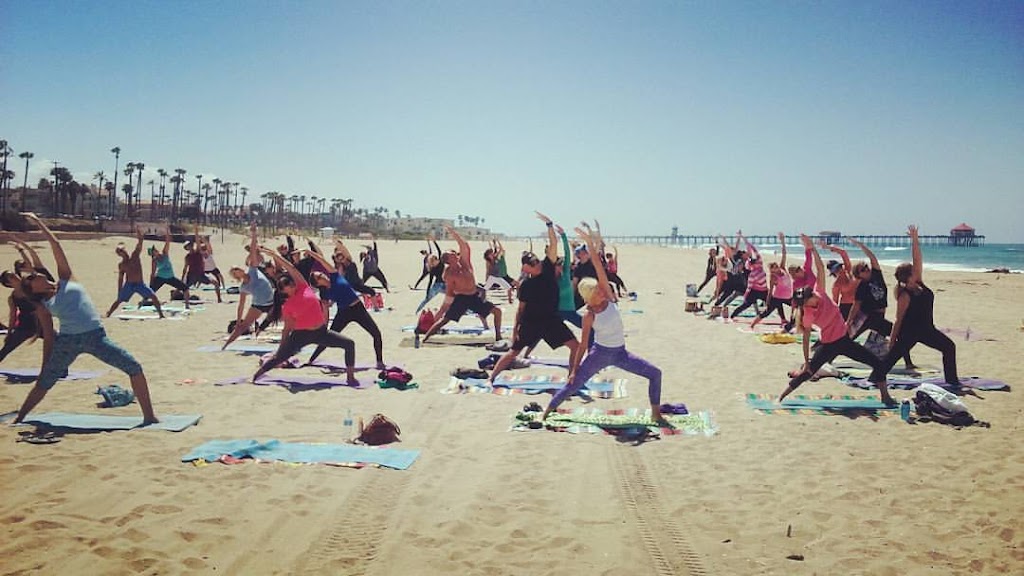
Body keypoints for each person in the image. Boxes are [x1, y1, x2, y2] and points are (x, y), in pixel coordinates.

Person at [13, 213, 157, 424]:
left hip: (96, 337)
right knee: (44, 382)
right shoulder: (43, 306)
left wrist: (38, 222)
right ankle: (19, 418)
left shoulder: (66, 278)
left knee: (134, 367)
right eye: (32, 278)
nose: (36, 274)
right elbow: (49, 336)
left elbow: (55, 245)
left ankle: (150, 417)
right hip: (68, 342)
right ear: (34, 289)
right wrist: (46, 364)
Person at [540, 225, 665, 424]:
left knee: (655, 374)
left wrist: (589, 242)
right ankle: (547, 411)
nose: (601, 291)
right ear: (589, 296)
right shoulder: (588, 315)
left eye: (600, 288)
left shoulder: (608, 297)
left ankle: (656, 413)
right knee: (573, 385)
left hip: (621, 353)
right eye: (596, 290)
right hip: (598, 355)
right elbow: (583, 345)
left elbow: (598, 266)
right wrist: (574, 370)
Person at [777, 234, 894, 405]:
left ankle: (885, 396)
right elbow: (806, 338)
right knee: (808, 372)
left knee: (877, 363)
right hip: (828, 345)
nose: (810, 300)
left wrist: (812, 248)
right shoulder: (808, 314)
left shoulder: (820, 292)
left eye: (809, 297)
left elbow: (819, 268)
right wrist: (806, 360)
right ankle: (781, 396)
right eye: (806, 301)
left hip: (844, 341)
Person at [488, 213, 579, 383]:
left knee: (575, 346)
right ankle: (491, 377)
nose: (537, 264)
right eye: (533, 263)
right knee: (513, 352)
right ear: (526, 268)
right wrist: (515, 331)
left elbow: (553, 244)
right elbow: (520, 310)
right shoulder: (525, 285)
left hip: (551, 320)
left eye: (537, 261)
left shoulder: (548, 269)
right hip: (531, 323)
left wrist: (549, 225)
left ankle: (571, 378)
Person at [867, 226, 959, 388]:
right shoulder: (904, 295)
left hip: (927, 330)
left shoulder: (919, 283)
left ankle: (952, 381)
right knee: (889, 360)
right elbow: (898, 319)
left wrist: (915, 239)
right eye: (913, 270)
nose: (917, 269)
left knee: (949, 347)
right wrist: (892, 340)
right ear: (909, 276)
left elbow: (917, 258)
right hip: (909, 333)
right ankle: (874, 378)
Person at [251, 247, 358, 385]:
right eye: (287, 285)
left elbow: (291, 268)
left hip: (321, 332)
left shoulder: (303, 286)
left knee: (349, 344)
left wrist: (274, 255)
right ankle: (256, 376)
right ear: (283, 291)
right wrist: (282, 348)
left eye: (290, 282)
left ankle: (350, 377)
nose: (291, 285)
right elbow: (287, 328)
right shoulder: (287, 306)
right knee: (279, 358)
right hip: (301, 335)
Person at [304, 248, 386, 369]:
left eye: (321, 274)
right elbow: (326, 311)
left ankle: (379, 362)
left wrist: (310, 252)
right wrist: (324, 327)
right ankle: (311, 359)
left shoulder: (334, 275)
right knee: (328, 337)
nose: (323, 275)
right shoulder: (324, 294)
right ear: (318, 283)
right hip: (343, 313)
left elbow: (322, 260)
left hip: (358, 309)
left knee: (376, 333)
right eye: (320, 277)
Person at [421, 225, 502, 343]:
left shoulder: (464, 263)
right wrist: (448, 303)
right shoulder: (449, 273)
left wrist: (453, 233)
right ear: (449, 260)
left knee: (497, 311)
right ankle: (425, 338)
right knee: (444, 320)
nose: (455, 253)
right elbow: (450, 290)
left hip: (474, 297)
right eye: (452, 254)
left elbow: (464, 245)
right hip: (461, 299)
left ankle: (498, 337)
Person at [846, 237, 915, 368]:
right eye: (863, 269)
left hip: (879, 317)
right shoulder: (861, 286)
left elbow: (872, 258)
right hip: (868, 317)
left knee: (900, 335)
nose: (867, 269)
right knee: (846, 339)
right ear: (859, 275)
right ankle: (827, 359)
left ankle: (908, 363)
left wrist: (861, 245)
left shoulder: (877, 275)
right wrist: (849, 321)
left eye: (866, 267)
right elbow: (856, 305)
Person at [223, 223, 277, 349]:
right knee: (242, 327)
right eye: (235, 271)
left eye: (237, 268)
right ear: (236, 276)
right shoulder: (243, 288)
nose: (238, 270)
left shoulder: (253, 269)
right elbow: (241, 305)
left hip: (272, 302)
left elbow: (253, 250)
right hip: (258, 306)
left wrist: (253, 233)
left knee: (289, 318)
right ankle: (225, 346)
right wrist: (238, 321)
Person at [105, 228, 165, 319]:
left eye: (123, 251)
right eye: (120, 252)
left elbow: (139, 245)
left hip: (140, 284)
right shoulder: (122, 265)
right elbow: (120, 278)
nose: (123, 253)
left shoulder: (134, 256)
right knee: (119, 300)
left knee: (153, 296)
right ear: (119, 255)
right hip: (129, 285)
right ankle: (109, 313)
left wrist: (140, 237)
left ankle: (161, 315)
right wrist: (119, 291)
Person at [750, 232, 792, 331]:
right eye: (773, 269)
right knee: (767, 312)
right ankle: (752, 324)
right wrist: (768, 302)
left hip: (788, 297)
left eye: (775, 267)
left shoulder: (782, 268)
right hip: (777, 297)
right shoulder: (773, 277)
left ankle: (790, 322)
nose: (775, 269)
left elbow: (784, 254)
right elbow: (770, 290)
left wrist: (782, 241)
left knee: (799, 306)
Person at [148, 229, 191, 307]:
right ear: (152, 254)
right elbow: (153, 273)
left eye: (155, 249)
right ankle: (142, 303)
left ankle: (187, 306)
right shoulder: (154, 261)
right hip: (160, 278)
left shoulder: (164, 254)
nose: (156, 250)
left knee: (185, 288)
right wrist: (151, 283)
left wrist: (167, 233)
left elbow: (167, 243)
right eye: (154, 250)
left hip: (171, 277)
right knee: (149, 292)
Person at [182, 223, 221, 303]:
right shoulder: (187, 257)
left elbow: (197, 241)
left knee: (216, 283)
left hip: (201, 274)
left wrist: (196, 230)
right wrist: (182, 278)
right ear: (187, 248)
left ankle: (219, 299)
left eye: (191, 245)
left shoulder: (198, 252)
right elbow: (185, 268)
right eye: (188, 246)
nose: (190, 247)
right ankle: (182, 301)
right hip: (192, 275)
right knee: (183, 287)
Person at [821, 242, 858, 320]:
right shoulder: (836, 285)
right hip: (846, 307)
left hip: (858, 304)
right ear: (833, 273)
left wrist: (828, 247)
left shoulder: (848, 270)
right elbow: (835, 302)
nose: (839, 270)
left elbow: (843, 252)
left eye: (839, 267)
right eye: (836, 270)